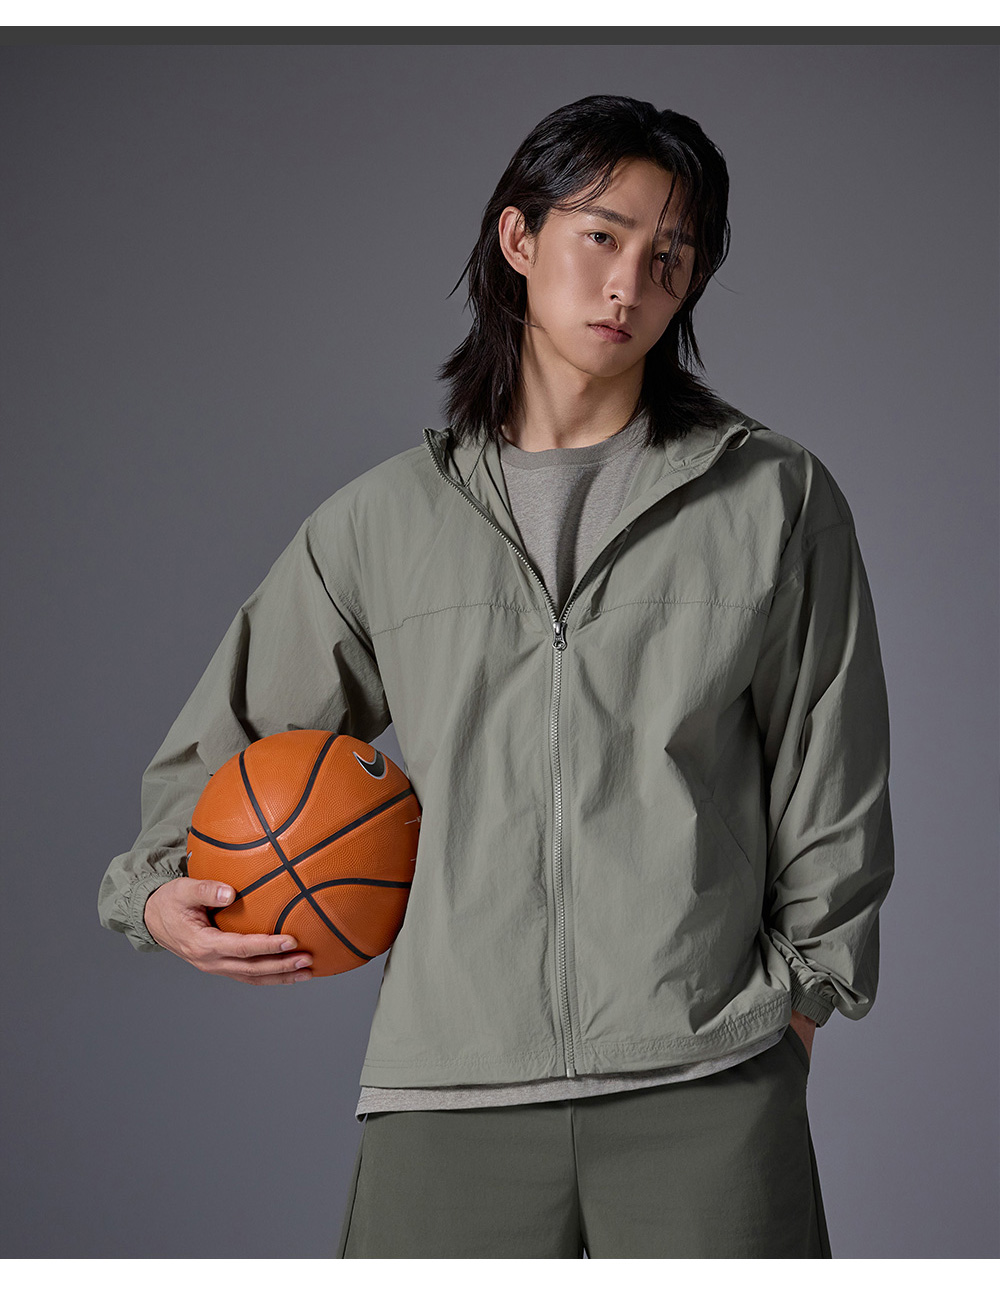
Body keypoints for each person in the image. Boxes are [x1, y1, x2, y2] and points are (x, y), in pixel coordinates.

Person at [99, 95, 895, 1258]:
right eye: (602, 235)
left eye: (669, 257)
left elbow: (833, 775)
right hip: (448, 1087)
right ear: (519, 239)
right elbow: (213, 754)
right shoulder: (380, 523)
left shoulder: (773, 496)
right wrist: (157, 890)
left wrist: (797, 1007)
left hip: (705, 1078)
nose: (630, 282)